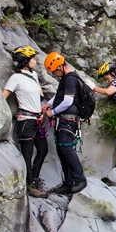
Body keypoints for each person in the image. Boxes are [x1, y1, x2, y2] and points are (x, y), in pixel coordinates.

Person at [3, 46, 49, 197]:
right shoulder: (15, 78)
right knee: (27, 154)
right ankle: (31, 185)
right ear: (25, 61)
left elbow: (39, 95)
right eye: (33, 59)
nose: (35, 61)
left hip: (37, 120)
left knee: (43, 150)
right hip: (25, 121)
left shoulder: (34, 75)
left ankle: (34, 179)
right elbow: (3, 96)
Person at [41, 52, 88, 194]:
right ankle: (68, 183)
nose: (55, 74)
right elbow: (60, 95)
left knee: (66, 149)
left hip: (67, 119)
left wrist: (52, 113)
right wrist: (49, 104)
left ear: (60, 67)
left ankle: (80, 179)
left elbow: (68, 101)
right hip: (65, 119)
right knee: (62, 150)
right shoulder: (67, 79)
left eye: (54, 71)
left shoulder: (70, 79)